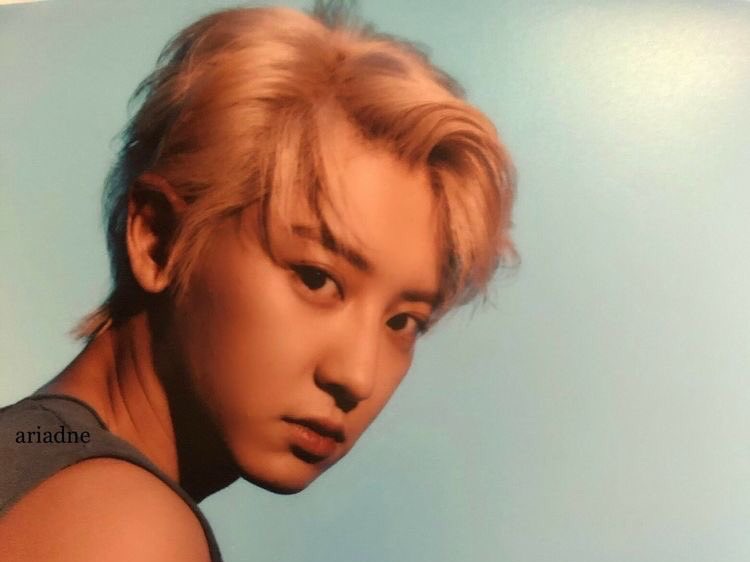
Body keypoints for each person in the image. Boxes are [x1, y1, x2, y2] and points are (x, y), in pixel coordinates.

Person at [0, 3, 516, 561]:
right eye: (316, 279)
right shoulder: (121, 527)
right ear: (158, 239)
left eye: (403, 321)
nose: (356, 376)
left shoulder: (30, 456)